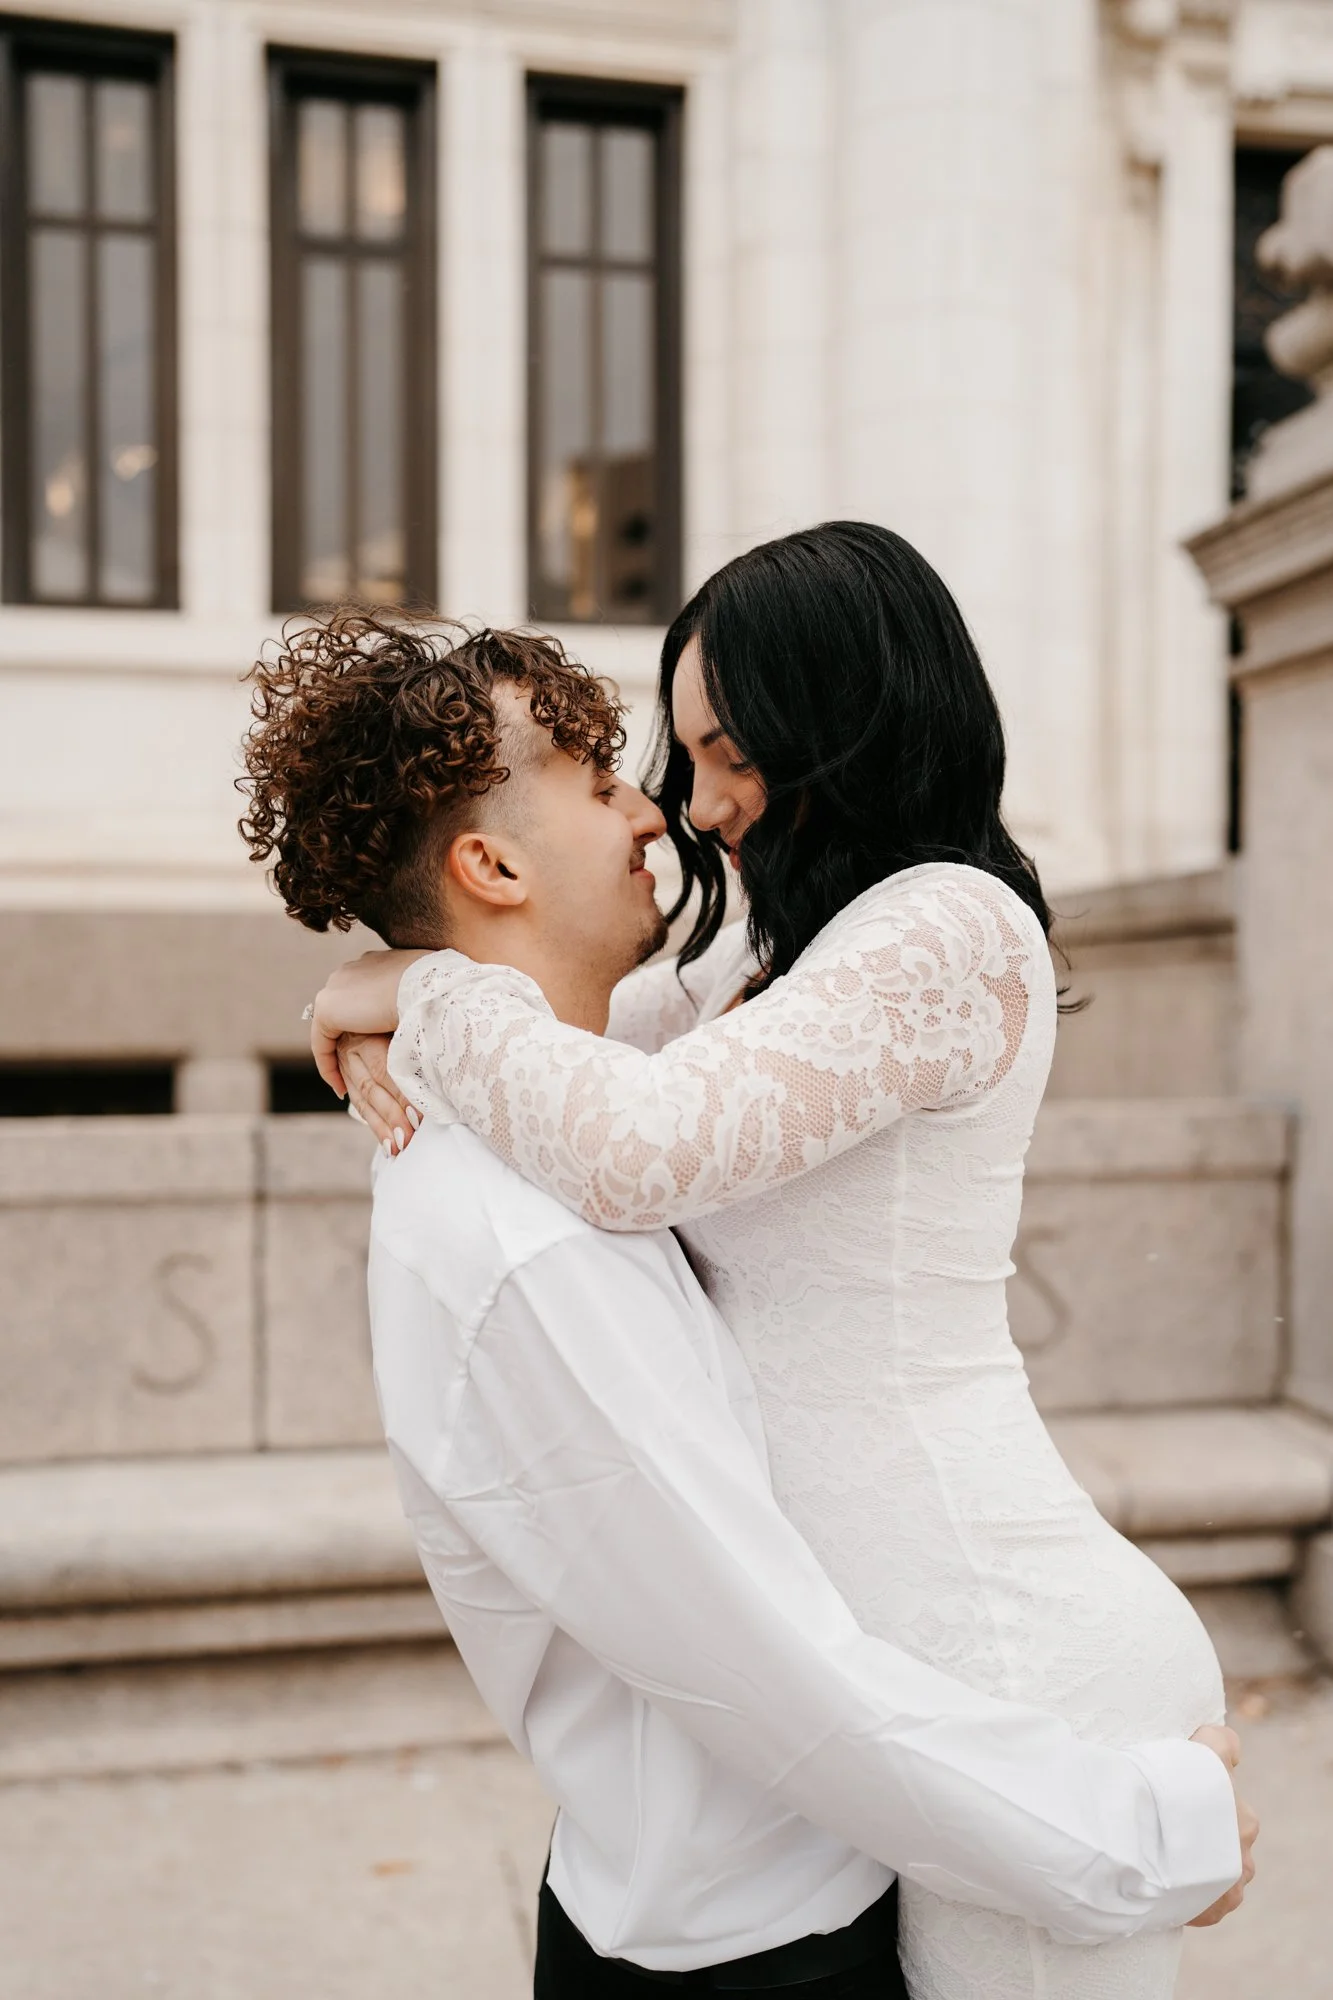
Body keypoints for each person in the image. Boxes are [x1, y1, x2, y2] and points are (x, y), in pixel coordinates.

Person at [243, 611, 1252, 2000]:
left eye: (718, 756)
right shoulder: (524, 1233)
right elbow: (779, 1681)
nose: (666, 808)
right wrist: (1145, 1834)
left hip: (988, 1698)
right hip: (785, 1886)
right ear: (490, 863)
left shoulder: (629, 1089)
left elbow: (634, 1108)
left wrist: (418, 982)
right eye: (607, 780)